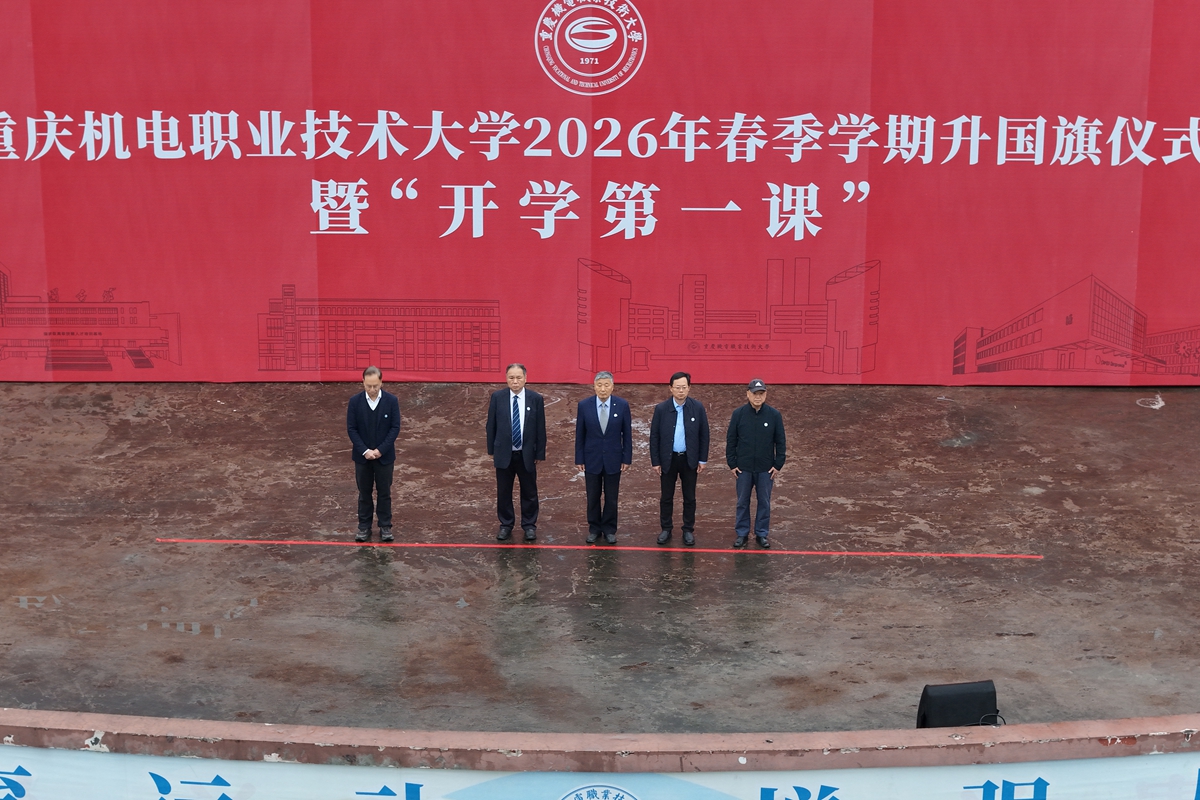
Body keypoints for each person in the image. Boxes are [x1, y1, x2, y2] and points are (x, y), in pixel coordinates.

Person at [486, 363, 546, 542]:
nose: (515, 381)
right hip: (504, 454)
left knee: (529, 492)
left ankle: (529, 525)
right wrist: (492, 450)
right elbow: (491, 425)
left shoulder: (535, 398)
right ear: (506, 379)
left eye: (519, 377)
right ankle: (506, 524)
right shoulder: (498, 397)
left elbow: (540, 428)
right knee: (504, 492)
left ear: (526, 379)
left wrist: (539, 453)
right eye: (511, 378)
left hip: (526, 454)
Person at [649, 371, 710, 547]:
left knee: (689, 497)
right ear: (671, 388)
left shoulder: (697, 407)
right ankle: (666, 528)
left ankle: (688, 529)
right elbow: (654, 436)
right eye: (677, 387)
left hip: (689, 460)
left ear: (689, 388)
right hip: (668, 459)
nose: (681, 391)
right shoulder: (661, 409)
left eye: (684, 387)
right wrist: (656, 461)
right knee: (666, 497)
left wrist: (702, 459)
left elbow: (704, 435)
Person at [725, 378, 786, 549]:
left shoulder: (774, 415)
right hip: (743, 468)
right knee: (742, 501)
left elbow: (780, 441)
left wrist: (778, 464)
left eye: (761, 394)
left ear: (765, 395)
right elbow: (731, 440)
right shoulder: (738, 414)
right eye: (754, 394)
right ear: (748, 394)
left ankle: (761, 533)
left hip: (765, 469)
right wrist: (732, 463)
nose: (758, 397)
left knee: (764, 502)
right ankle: (742, 533)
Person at [575, 371, 632, 545]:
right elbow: (580, 434)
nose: (603, 389)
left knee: (611, 497)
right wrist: (579, 458)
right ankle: (594, 528)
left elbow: (627, 434)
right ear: (594, 387)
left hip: (614, 459)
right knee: (592, 496)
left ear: (612, 387)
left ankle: (609, 529)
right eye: (599, 385)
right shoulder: (584, 405)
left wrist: (626, 458)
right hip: (591, 459)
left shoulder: (622, 405)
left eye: (606, 385)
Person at [346, 366, 402, 543]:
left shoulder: (391, 401)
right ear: (363, 382)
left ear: (381, 382)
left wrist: (380, 450)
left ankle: (385, 526)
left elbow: (395, 428)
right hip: (362, 458)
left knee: (384, 492)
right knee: (364, 493)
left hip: (384, 458)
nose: (372, 389)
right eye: (368, 386)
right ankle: (364, 527)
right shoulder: (355, 402)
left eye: (375, 386)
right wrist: (365, 451)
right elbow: (352, 429)